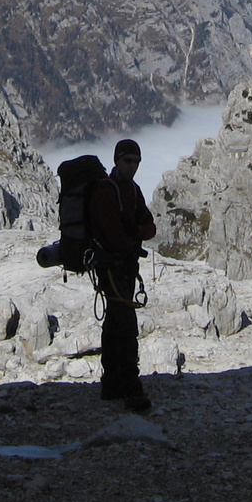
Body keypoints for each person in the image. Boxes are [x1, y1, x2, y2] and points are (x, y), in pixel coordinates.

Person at [88, 137, 155, 411]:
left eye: (137, 161)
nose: (133, 166)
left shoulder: (132, 190)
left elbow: (149, 226)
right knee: (125, 324)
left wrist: (136, 233)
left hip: (122, 266)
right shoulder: (107, 191)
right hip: (112, 266)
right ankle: (130, 385)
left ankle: (112, 383)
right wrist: (135, 236)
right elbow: (115, 233)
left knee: (116, 322)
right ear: (117, 160)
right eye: (128, 160)